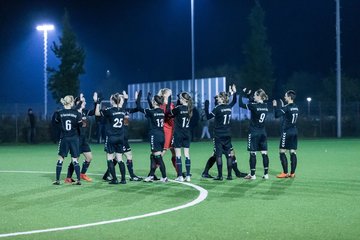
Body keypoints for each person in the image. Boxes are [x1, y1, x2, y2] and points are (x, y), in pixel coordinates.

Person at [203, 85, 239, 180]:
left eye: (218, 97)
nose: (217, 98)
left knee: (218, 155)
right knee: (228, 155)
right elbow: (234, 101)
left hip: (218, 135)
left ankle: (220, 176)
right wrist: (234, 93)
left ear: (222, 98)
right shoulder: (229, 107)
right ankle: (230, 176)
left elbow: (208, 117)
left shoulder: (217, 108)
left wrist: (206, 106)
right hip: (227, 134)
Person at [95, 92, 128, 184]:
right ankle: (123, 179)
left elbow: (97, 113)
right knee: (120, 158)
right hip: (120, 137)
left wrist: (98, 102)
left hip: (111, 137)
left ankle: (114, 179)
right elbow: (122, 103)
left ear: (112, 101)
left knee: (110, 158)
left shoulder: (109, 110)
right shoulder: (122, 110)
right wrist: (124, 98)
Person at [239, 88, 270, 180]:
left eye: (255, 95)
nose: (253, 96)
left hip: (253, 132)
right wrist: (249, 96)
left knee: (253, 153)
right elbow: (253, 102)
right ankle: (266, 174)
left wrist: (242, 93)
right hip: (263, 132)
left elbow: (240, 104)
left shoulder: (254, 106)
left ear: (259, 96)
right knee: (264, 153)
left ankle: (252, 175)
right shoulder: (266, 105)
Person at [64, 93, 96, 183]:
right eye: (83, 101)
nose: (84, 102)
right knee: (75, 159)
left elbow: (94, 112)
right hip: (76, 139)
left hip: (83, 140)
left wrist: (96, 102)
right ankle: (68, 177)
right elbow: (74, 109)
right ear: (78, 102)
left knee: (89, 157)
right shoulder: (74, 112)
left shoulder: (85, 112)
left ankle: (82, 174)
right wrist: (79, 101)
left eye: (84, 101)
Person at [138, 90, 168, 183]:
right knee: (153, 156)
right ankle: (151, 175)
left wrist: (138, 97)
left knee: (158, 156)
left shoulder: (150, 111)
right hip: (162, 135)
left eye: (152, 100)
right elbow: (152, 108)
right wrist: (148, 98)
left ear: (154, 102)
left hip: (154, 136)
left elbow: (139, 107)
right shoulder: (161, 111)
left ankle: (164, 177)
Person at [52, 95, 82, 185]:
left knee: (61, 159)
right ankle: (79, 180)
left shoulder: (59, 112)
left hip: (64, 138)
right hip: (74, 138)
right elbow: (80, 125)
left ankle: (57, 180)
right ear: (72, 102)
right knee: (75, 160)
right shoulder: (76, 113)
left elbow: (55, 123)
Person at [273, 90, 299, 178]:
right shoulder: (296, 107)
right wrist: (283, 108)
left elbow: (276, 115)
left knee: (282, 151)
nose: (284, 97)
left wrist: (275, 106)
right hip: (294, 131)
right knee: (293, 152)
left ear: (289, 97)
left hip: (287, 132)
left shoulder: (287, 107)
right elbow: (288, 114)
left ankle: (285, 173)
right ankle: (292, 173)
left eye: (285, 96)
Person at [168, 92, 193, 182]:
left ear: (182, 99)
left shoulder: (178, 108)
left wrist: (169, 100)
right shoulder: (190, 109)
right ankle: (188, 176)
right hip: (187, 133)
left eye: (180, 98)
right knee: (187, 155)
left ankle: (180, 176)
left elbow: (169, 113)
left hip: (178, 133)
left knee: (178, 155)